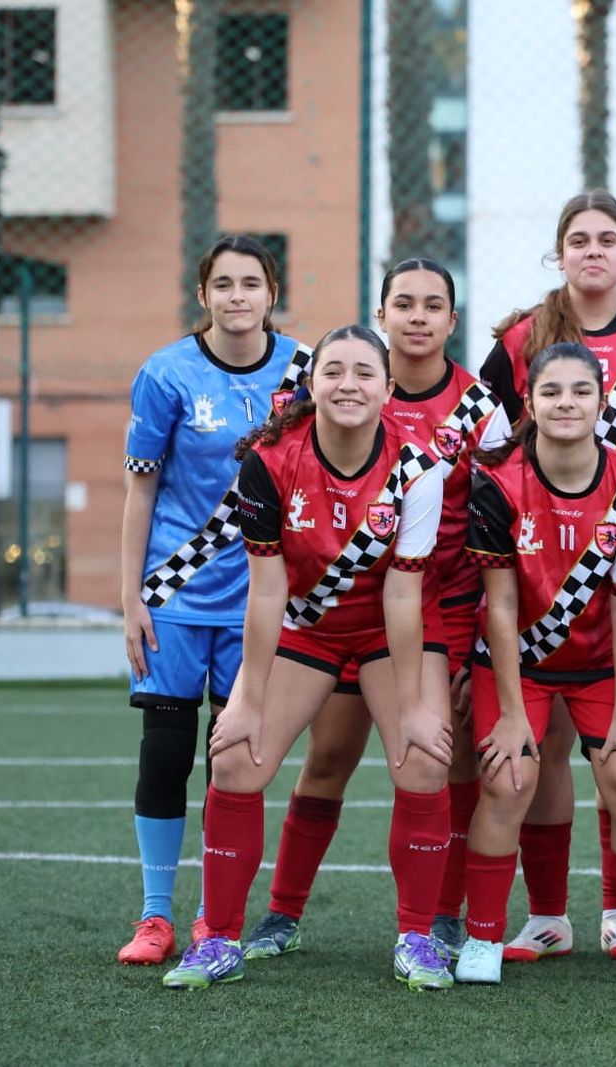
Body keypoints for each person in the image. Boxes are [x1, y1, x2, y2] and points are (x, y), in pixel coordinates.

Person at [160, 325, 455, 992]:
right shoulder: (268, 461)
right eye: (334, 371)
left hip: (387, 629)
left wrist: (413, 706)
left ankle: (417, 938)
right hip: (308, 628)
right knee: (235, 757)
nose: (349, 384)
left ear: (388, 388)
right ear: (312, 384)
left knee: (424, 757)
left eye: (365, 373)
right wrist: (244, 700)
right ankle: (219, 940)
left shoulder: (418, 467)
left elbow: (403, 593)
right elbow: (266, 591)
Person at [237, 259, 509, 964]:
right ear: (381, 315)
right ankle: (281, 912)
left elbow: (500, 525)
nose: (418, 317)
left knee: (442, 759)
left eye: (433, 305)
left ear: (452, 320)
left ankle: (436, 918)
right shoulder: (337, 388)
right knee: (328, 757)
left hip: (437, 608)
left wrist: (472, 638)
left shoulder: (481, 407)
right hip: (332, 609)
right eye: (403, 303)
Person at [479, 190, 616, 962]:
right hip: (537, 570)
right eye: (579, 239)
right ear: (558, 252)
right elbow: (485, 443)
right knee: (543, 746)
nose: (594, 250)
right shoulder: (520, 340)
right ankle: (547, 914)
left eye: (608, 239)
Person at [454, 342, 616, 985]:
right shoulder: (497, 483)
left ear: (601, 402)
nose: (566, 403)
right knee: (507, 779)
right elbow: (500, 606)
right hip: (519, 663)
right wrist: (510, 714)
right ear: (529, 404)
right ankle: (482, 938)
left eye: (581, 391)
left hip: (601, 664)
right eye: (551, 391)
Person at [117, 235, 311, 966]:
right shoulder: (165, 373)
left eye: (250, 283)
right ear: (203, 295)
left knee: (232, 759)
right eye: (223, 284)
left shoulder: (305, 369)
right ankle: (155, 916)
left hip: (260, 597)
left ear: (271, 293)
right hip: (172, 593)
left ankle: (213, 915)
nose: (237, 296)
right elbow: (141, 490)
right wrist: (131, 597)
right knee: (166, 752)